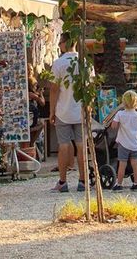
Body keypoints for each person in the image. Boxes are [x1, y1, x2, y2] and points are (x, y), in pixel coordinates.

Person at [49, 32, 86, 193]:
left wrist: (52, 111)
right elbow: (89, 88)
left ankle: (63, 182)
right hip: (80, 111)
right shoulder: (84, 62)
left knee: (63, 145)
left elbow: (54, 90)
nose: (59, 46)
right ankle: (83, 181)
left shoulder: (58, 63)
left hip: (63, 110)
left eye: (60, 42)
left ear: (65, 43)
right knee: (81, 146)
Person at [111, 89, 137, 191]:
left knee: (122, 163)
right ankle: (136, 183)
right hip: (134, 144)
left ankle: (119, 184)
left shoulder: (120, 114)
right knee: (135, 163)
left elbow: (113, 126)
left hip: (123, 143)